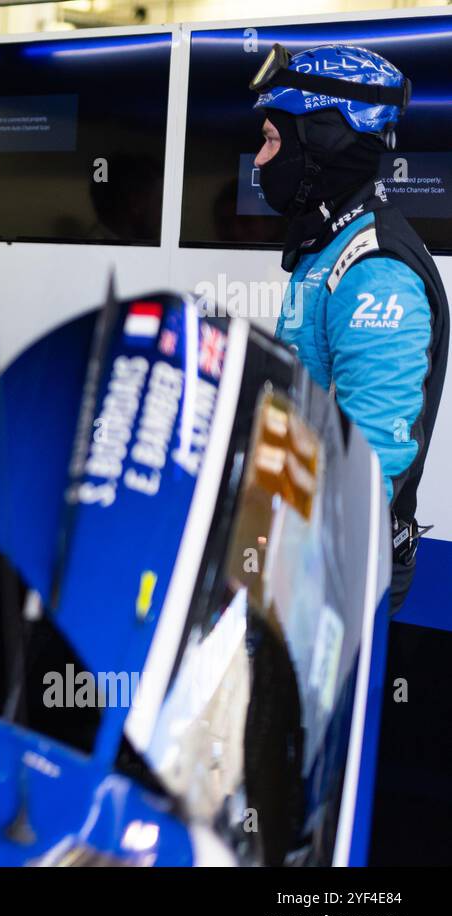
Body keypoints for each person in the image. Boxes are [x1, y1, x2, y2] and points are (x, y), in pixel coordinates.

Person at [251, 43, 448, 614]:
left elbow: (367, 470)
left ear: (324, 140)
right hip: (294, 546)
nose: (259, 161)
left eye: (270, 140)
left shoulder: (374, 272)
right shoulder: (330, 245)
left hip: (331, 571)